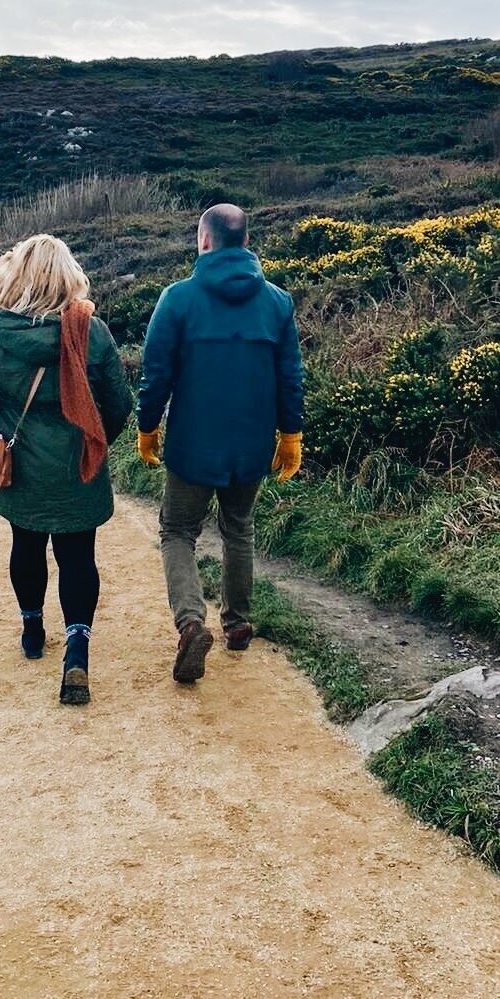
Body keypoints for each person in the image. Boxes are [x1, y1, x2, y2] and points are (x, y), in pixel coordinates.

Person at [0, 234, 133, 706]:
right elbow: (119, 404)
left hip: (18, 465)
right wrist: (96, 443)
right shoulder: (91, 330)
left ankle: (32, 628)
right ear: (68, 275)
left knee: (26, 543)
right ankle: (77, 649)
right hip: (77, 463)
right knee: (78, 555)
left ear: (18, 275)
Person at [136, 203, 304, 686]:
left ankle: (191, 622)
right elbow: (291, 377)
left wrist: (148, 429)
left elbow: (156, 376)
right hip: (252, 447)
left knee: (177, 531)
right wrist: (290, 435)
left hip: (192, 447)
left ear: (204, 241)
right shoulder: (277, 302)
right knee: (239, 528)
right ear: (246, 243)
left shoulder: (177, 299)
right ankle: (238, 624)